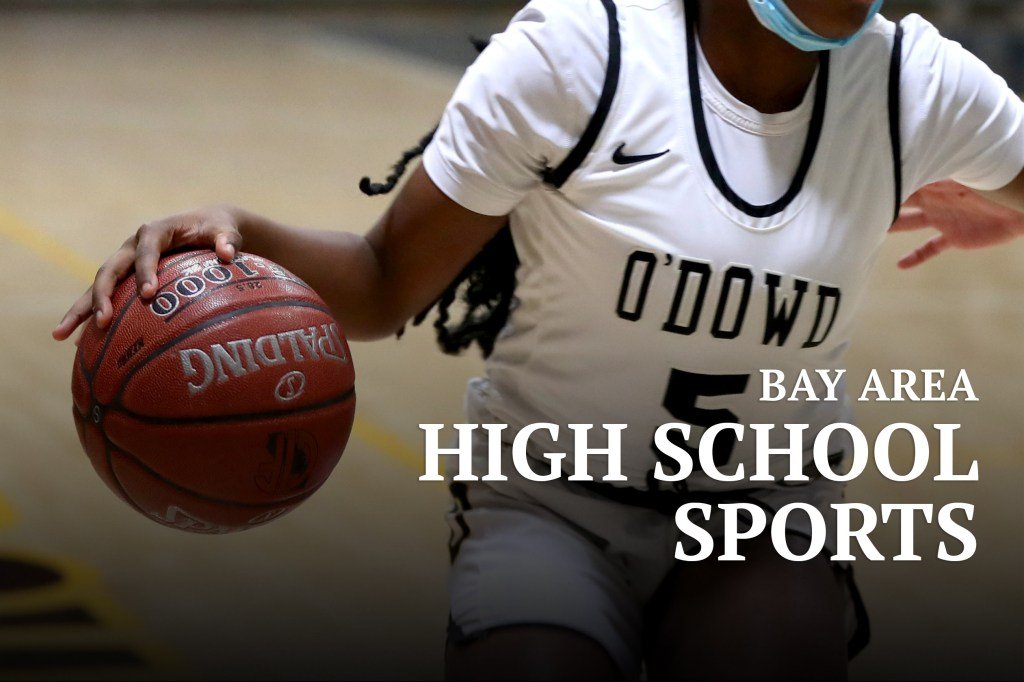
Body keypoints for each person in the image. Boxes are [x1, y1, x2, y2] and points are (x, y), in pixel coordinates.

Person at [54, 0, 1023, 679]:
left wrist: (1007, 210)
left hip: (758, 507)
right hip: (553, 498)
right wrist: (240, 229)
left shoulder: (920, 83)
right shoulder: (577, 56)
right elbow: (387, 284)